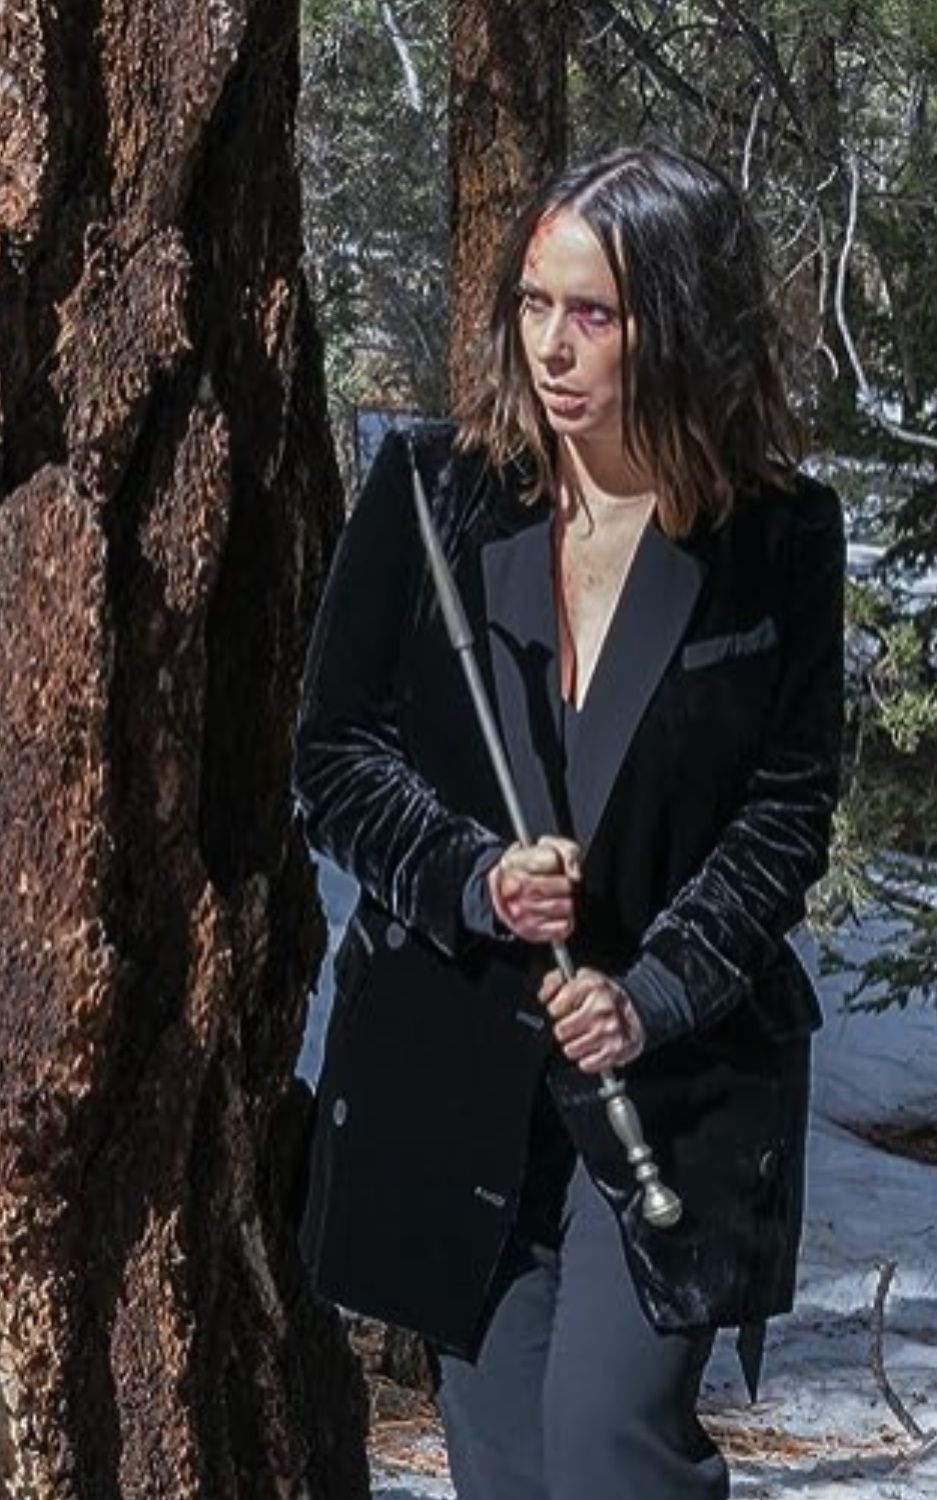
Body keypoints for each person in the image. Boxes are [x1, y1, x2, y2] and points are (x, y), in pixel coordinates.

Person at [291, 143, 843, 1500]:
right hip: (462, 1072)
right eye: (535, 304)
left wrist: (654, 991)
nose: (552, 344)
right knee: (508, 1466)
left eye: (592, 313)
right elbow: (334, 755)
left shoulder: (777, 540)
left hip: (672, 1079)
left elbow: (786, 811)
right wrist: (471, 877)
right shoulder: (433, 492)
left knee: (610, 1447)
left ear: (684, 322)